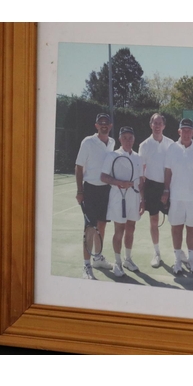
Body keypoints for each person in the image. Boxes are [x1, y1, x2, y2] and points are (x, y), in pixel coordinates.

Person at [161, 118, 193, 275]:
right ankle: (177, 260)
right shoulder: (172, 148)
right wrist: (166, 191)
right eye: (183, 130)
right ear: (179, 131)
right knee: (176, 228)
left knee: (191, 229)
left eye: (189, 130)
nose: (186, 133)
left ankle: (191, 260)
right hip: (176, 198)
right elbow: (168, 172)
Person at [75, 113, 115, 280]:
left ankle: (97, 258)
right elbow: (78, 167)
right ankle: (86, 265)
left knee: (102, 226)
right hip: (90, 190)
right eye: (101, 123)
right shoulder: (87, 142)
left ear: (110, 126)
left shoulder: (112, 142)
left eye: (106, 123)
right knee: (90, 229)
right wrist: (80, 191)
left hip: (106, 190)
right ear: (96, 125)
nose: (104, 125)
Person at [101, 126, 144, 277]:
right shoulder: (112, 156)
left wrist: (142, 200)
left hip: (134, 198)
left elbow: (141, 180)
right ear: (119, 139)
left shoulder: (138, 157)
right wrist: (119, 182)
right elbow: (103, 177)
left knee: (131, 228)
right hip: (118, 199)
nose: (127, 140)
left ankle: (128, 259)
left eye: (130, 138)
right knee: (119, 230)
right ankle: (117, 263)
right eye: (124, 137)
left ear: (134, 139)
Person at [138, 113, 174, 268]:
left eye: (160, 123)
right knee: (154, 220)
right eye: (155, 123)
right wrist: (142, 197)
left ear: (164, 126)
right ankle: (157, 252)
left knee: (175, 221)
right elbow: (141, 171)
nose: (158, 125)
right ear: (150, 125)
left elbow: (173, 168)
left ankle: (178, 253)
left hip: (169, 187)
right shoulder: (144, 145)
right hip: (151, 187)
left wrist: (168, 189)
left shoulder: (171, 144)